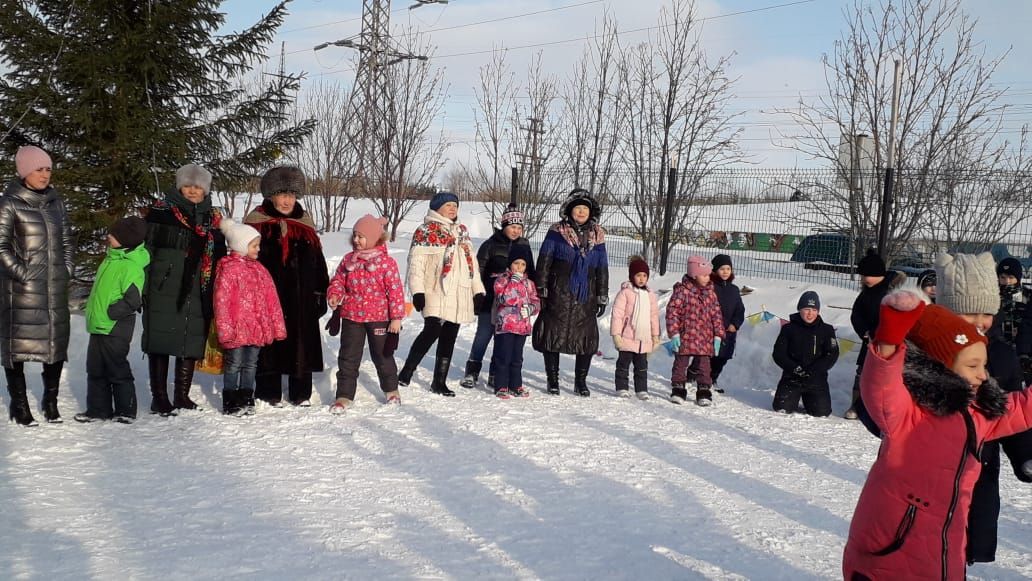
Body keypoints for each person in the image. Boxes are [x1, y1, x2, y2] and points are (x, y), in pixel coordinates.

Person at [842, 291, 1032, 580]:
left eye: (983, 365)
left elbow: (1021, 409)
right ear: (940, 367)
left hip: (945, 552)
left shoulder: (979, 414)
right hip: (891, 554)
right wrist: (890, 336)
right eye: (972, 366)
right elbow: (880, 384)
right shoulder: (906, 411)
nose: (983, 375)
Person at [926, 252, 1032, 565]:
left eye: (986, 313)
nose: (980, 321)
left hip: (979, 469)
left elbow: (1011, 409)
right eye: (968, 313)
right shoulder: (925, 352)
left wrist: (1026, 454)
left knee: (963, 543)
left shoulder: (999, 354)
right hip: (927, 468)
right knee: (924, 542)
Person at [142, 163, 227, 416]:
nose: (192, 190)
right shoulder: (161, 213)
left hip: (200, 287)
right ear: (179, 187)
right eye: (187, 185)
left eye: (198, 186)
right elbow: (146, 252)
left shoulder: (213, 219)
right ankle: (159, 398)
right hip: (164, 286)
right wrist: (145, 286)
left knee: (191, 339)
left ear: (205, 189)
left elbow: (221, 256)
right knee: (160, 339)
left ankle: (182, 395)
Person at [244, 166, 329, 407]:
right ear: (271, 195)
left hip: (301, 297)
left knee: (301, 341)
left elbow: (318, 260)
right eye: (282, 194)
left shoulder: (304, 224)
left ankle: (300, 392)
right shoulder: (257, 223)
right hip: (266, 295)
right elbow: (244, 260)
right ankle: (268, 391)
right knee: (268, 342)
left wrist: (320, 291)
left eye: (291, 195)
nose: (286, 200)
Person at [1, 146, 73, 426]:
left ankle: (50, 402)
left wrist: (66, 270)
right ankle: (20, 407)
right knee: (16, 349)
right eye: (39, 169)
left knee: (55, 343)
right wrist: (23, 274)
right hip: (21, 291)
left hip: (54, 287)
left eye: (48, 169)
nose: (45, 175)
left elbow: (66, 241)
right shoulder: (9, 203)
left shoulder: (56, 202)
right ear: (24, 172)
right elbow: (1, 246)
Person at [399, 192, 485, 396]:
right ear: (436, 207)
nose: (453, 208)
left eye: (455, 205)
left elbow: (471, 263)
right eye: (448, 205)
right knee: (432, 329)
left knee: (450, 334)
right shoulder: (426, 230)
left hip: (459, 290)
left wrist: (478, 291)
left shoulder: (462, 232)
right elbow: (416, 265)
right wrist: (417, 291)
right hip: (435, 288)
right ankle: (407, 371)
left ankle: (439, 381)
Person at [532, 189, 609, 397]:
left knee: (586, 340)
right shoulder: (557, 231)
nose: (582, 211)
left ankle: (580, 382)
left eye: (585, 208)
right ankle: (553, 380)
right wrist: (542, 289)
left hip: (586, 295)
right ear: (570, 210)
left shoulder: (598, 234)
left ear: (591, 211)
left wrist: (602, 294)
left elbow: (602, 266)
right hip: (559, 292)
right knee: (553, 336)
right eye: (578, 208)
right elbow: (545, 260)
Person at [73, 217, 149, 424]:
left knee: (116, 368)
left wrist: (112, 313)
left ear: (125, 240)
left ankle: (126, 411)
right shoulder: (110, 259)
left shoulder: (130, 266)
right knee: (95, 369)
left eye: (113, 235)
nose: (109, 236)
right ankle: (98, 410)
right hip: (99, 324)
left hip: (116, 326)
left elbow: (133, 299)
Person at [326, 215, 405, 412]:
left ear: (373, 238)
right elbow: (337, 281)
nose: (356, 240)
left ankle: (391, 390)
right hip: (352, 316)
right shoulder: (348, 260)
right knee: (348, 356)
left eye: (361, 236)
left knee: (383, 355)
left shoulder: (386, 263)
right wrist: (335, 294)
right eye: (354, 235)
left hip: (379, 318)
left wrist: (396, 318)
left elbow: (395, 291)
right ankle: (344, 396)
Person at [214, 219, 287, 416]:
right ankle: (231, 399)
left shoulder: (259, 270)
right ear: (241, 246)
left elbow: (272, 300)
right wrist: (225, 328)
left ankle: (247, 396)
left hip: (256, 328)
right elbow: (221, 302)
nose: (258, 249)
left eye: (258, 245)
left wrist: (276, 325)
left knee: (251, 363)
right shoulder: (228, 269)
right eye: (254, 245)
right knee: (234, 363)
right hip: (236, 329)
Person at [460, 203, 531, 389]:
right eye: (512, 226)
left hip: (512, 307)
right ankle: (472, 370)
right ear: (504, 226)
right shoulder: (490, 244)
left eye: (519, 227)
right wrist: (478, 295)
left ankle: (494, 373)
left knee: (503, 340)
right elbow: (478, 271)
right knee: (483, 335)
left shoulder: (524, 246)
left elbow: (529, 272)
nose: (515, 231)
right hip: (491, 299)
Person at [845, 248, 905, 420]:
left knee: (886, 377)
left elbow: (894, 318)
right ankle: (857, 405)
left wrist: (880, 333)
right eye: (862, 276)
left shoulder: (891, 293)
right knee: (863, 374)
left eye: (867, 275)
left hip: (888, 343)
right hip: (869, 343)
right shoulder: (866, 293)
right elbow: (856, 314)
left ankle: (885, 409)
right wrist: (864, 332)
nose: (863, 279)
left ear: (878, 274)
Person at [665, 255, 726, 406]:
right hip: (686, 336)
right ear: (694, 275)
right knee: (681, 364)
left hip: (705, 338)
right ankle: (678, 388)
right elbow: (672, 313)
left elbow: (717, 315)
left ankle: (704, 390)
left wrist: (718, 335)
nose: (707, 278)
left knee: (704, 366)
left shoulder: (710, 293)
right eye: (704, 275)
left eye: (708, 275)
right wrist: (674, 334)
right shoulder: (682, 291)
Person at [770, 291, 838, 416]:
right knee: (781, 409)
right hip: (792, 378)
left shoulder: (827, 330)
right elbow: (779, 354)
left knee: (821, 413)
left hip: (816, 379)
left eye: (814, 309)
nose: (810, 313)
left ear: (818, 311)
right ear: (799, 309)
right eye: (806, 309)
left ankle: (810, 400)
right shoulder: (788, 329)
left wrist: (816, 370)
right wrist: (794, 368)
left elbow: (832, 354)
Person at [490, 245, 540, 399]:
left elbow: (536, 301)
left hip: (522, 326)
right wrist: (513, 282)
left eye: (523, 264)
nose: (519, 267)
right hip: (505, 325)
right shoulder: (502, 279)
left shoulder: (529, 283)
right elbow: (503, 298)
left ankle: (515, 384)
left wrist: (531, 309)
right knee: (503, 356)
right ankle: (501, 385)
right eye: (516, 263)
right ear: (510, 264)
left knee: (517, 358)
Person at [609, 255, 660, 400]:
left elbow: (654, 317)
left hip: (643, 339)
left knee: (642, 366)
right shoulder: (625, 293)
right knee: (623, 365)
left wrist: (655, 336)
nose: (642, 279)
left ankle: (641, 389)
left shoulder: (650, 295)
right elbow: (617, 315)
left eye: (645, 275)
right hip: (627, 336)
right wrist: (616, 335)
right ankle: (622, 387)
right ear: (632, 276)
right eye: (638, 275)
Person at [709, 254, 745, 393]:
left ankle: (713, 377)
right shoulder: (710, 287)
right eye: (722, 268)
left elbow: (740, 309)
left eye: (728, 268)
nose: (725, 271)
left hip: (729, 331)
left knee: (723, 357)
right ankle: (699, 377)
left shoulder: (734, 290)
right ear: (715, 270)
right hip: (712, 330)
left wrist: (735, 324)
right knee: (709, 356)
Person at [994, 257, 1032, 381]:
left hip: (1024, 349)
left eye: (1011, 277)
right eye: (1003, 277)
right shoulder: (992, 296)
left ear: (1018, 278)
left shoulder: (1028, 297)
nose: (1007, 281)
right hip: (999, 347)